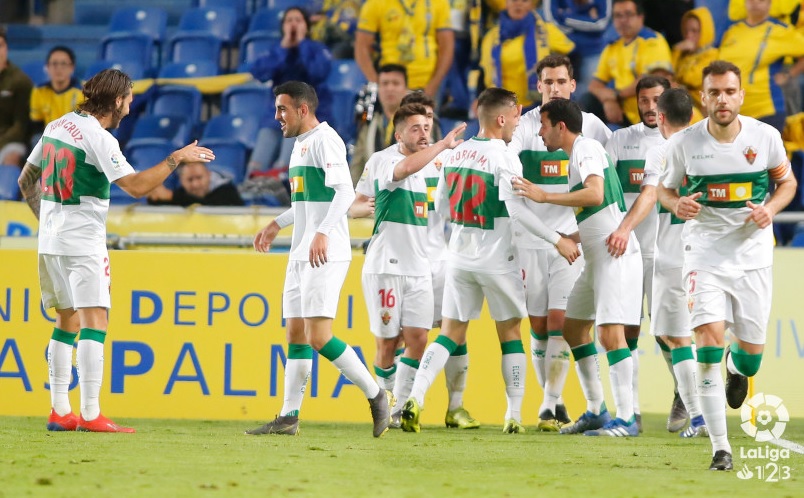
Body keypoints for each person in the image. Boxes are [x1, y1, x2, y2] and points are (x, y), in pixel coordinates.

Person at [16, 68, 215, 433]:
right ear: (116, 100)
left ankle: (60, 411)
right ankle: (90, 414)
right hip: (83, 241)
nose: (131, 105)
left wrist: (48, 222)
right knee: (95, 323)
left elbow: (25, 179)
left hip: (50, 241)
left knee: (66, 322)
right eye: (129, 98)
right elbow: (137, 187)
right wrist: (176, 158)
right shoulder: (99, 138)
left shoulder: (57, 125)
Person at [400, 88, 581, 434]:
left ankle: (416, 398)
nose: (517, 122)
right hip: (497, 259)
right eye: (515, 116)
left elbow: (439, 206)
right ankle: (513, 415)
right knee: (511, 333)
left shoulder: (456, 152)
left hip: (459, 257)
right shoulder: (504, 156)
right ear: (501, 118)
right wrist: (556, 239)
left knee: (450, 333)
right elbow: (516, 211)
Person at [659, 60, 797, 470]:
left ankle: (738, 368)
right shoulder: (684, 144)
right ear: (703, 98)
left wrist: (769, 209)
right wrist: (676, 202)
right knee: (707, 345)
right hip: (703, 253)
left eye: (729, 91)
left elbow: (787, 183)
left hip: (752, 256)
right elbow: (665, 191)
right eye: (714, 92)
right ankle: (721, 448)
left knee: (751, 355)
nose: (722, 99)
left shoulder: (765, 137)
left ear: (740, 95)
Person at [248, 81, 392, 438]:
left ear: (302, 110)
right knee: (295, 334)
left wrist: (324, 232)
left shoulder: (326, 140)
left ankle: (376, 395)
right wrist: (276, 224)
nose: (277, 116)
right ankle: (288, 417)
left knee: (319, 337)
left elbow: (345, 191)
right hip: (302, 251)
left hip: (324, 253)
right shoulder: (300, 146)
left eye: (282, 109)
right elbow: (307, 204)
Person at [513, 98, 643, 437]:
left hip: (614, 257)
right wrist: (565, 236)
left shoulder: (585, 148)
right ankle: (597, 409)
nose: (539, 133)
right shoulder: (578, 154)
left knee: (610, 335)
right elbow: (598, 213)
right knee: (572, 330)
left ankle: (627, 417)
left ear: (561, 126)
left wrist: (544, 197)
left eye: (544, 125)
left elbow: (595, 195)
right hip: (597, 255)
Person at [508, 54, 610, 431]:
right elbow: (506, 170)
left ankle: (548, 406)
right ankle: (559, 400)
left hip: (570, 240)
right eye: (547, 82)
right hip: (530, 239)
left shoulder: (594, 129)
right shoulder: (524, 126)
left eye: (560, 81)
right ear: (539, 87)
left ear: (572, 85)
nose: (553, 88)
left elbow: (606, 180)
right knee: (537, 327)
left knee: (560, 322)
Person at [355, 103, 466, 427]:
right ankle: (385, 401)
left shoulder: (436, 163)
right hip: (387, 266)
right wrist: (441, 145)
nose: (424, 133)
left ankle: (401, 408)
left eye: (427, 127)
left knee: (417, 338)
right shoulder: (386, 161)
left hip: (421, 266)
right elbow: (401, 172)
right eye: (415, 128)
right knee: (388, 343)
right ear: (398, 133)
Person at [603, 75, 670, 432]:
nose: (649, 107)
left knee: (668, 332)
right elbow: (603, 188)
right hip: (626, 251)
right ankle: (633, 410)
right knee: (628, 330)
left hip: (667, 251)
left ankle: (686, 399)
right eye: (643, 100)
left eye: (656, 99)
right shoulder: (620, 139)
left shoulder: (683, 141)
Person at [643, 88, 708, 438]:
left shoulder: (660, 153)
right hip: (708, 251)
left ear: (661, 117)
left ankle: (697, 416)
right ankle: (720, 378)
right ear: (693, 115)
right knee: (704, 333)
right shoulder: (708, 147)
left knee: (675, 336)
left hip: (671, 254)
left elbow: (652, 195)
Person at [248, 7, 334, 173]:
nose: (293, 24)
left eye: (298, 20)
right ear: (283, 27)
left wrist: (302, 45)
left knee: (284, 164)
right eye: (289, 21)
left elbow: (318, 72)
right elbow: (259, 72)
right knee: (256, 164)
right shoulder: (277, 49)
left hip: (306, 116)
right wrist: (284, 48)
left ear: (307, 27)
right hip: (276, 116)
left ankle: (280, 186)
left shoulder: (317, 49)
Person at [718, 0, 804, 131]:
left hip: (765, 111)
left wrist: (788, 74)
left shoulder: (779, 30)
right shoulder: (732, 31)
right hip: (734, 113)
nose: (755, 3)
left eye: (761, 0)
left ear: (769, 4)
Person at [585, 0, 672, 127]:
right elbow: (594, 85)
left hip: (648, 110)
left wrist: (615, 96)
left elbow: (653, 80)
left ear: (640, 17)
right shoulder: (612, 47)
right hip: (622, 109)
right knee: (587, 101)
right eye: (618, 16)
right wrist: (608, 100)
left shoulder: (652, 41)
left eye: (628, 14)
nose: (623, 20)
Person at [479, 0, 575, 111]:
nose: (518, 4)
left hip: (539, 106)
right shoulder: (491, 37)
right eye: (513, 0)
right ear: (506, 3)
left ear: (532, 5)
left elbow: (572, 58)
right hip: (499, 106)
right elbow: (483, 72)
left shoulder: (546, 30)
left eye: (524, 1)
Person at [355, 0, 454, 97]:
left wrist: (434, 84)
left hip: (426, 81)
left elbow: (447, 47)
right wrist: (377, 83)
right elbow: (361, 46)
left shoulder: (438, 2)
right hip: (391, 82)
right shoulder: (376, 3)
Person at [349, 64, 409, 185]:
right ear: (379, 89)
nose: (390, 88)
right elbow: (357, 167)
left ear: (406, 89)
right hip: (375, 197)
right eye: (385, 84)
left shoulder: (422, 122)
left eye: (396, 83)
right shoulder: (368, 125)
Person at [543, 0, 612, 97]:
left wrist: (566, 18)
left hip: (592, 51)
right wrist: (588, 21)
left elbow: (601, 24)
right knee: (555, 94)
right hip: (561, 50)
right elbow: (550, 23)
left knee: (589, 95)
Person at [671, 7, 718, 115]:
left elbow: (692, 79)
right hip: (683, 104)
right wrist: (676, 52)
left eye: (694, 31)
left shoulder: (712, 54)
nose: (689, 36)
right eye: (686, 31)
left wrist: (677, 81)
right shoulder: (683, 54)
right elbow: (669, 73)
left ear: (705, 31)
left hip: (701, 109)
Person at [29, 46, 83, 140]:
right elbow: (36, 125)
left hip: (76, 139)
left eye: (63, 64)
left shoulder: (84, 92)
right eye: (54, 64)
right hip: (48, 137)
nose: (59, 68)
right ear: (47, 67)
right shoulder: (39, 91)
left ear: (72, 68)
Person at [0, 27, 33, 166]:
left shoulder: (20, 81)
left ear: (7, 48)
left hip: (10, 141)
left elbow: (21, 126)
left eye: (0, 45)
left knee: (12, 156)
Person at [146, 161, 245, 207]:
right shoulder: (182, 194)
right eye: (190, 180)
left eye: (199, 177)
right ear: (181, 181)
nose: (195, 184)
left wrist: (171, 196)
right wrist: (155, 196)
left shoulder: (227, 191)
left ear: (209, 175)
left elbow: (209, 208)